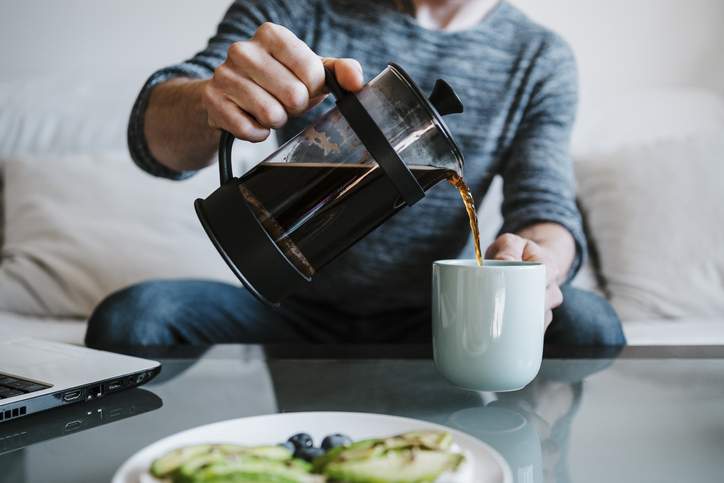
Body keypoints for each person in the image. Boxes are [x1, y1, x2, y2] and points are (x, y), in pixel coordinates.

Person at [85, 0, 625, 348]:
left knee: (590, 326)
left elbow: (546, 209)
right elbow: (154, 139)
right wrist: (212, 99)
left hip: (438, 318)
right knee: (135, 318)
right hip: (290, 307)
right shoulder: (300, 8)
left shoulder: (539, 56)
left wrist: (537, 265)